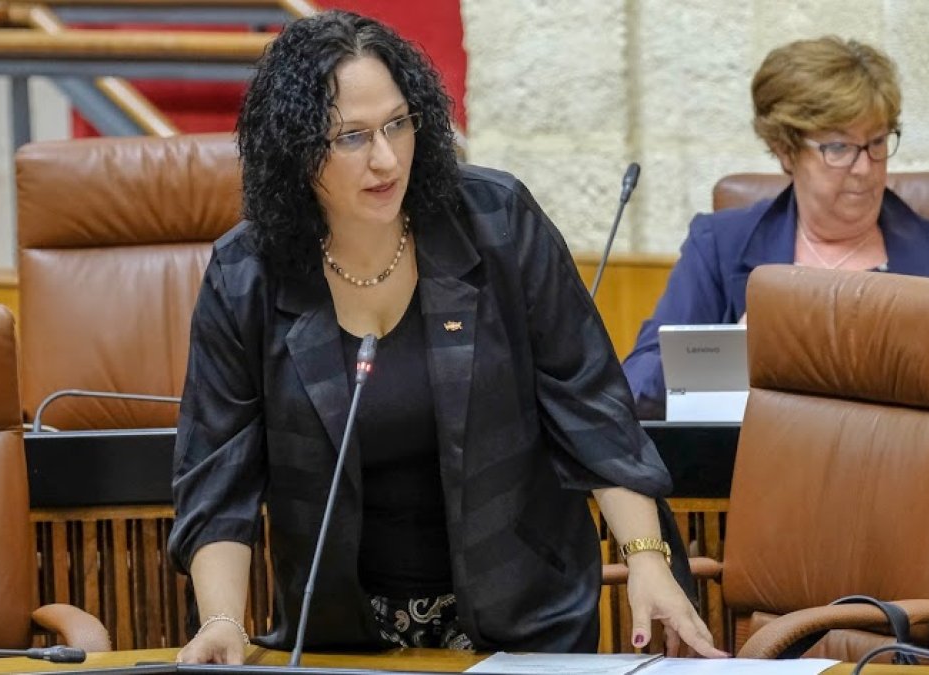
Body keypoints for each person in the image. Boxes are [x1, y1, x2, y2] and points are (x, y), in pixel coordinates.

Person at [169, 10, 725, 665]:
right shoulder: (247, 274)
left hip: (522, 622)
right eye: (351, 137)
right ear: (293, 148)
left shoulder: (496, 223)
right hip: (345, 633)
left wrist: (646, 558)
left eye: (398, 124)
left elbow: (593, 405)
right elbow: (218, 473)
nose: (385, 158)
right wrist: (223, 619)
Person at [623, 36, 929, 421]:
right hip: (760, 461)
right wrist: (729, 354)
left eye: (877, 142)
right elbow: (636, 392)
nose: (864, 167)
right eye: (839, 148)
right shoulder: (719, 245)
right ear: (786, 151)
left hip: (904, 464)